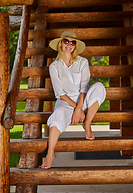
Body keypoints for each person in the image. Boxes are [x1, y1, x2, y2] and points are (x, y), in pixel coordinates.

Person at [41, 31, 106, 169]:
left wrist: (80, 108)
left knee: (99, 87)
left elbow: (85, 86)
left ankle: (87, 124)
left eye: (72, 42)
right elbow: (60, 93)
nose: (69, 45)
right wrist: (76, 108)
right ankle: (50, 153)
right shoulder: (54, 66)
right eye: (66, 41)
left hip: (83, 99)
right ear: (60, 44)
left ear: (75, 46)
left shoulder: (82, 62)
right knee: (57, 114)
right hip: (65, 101)